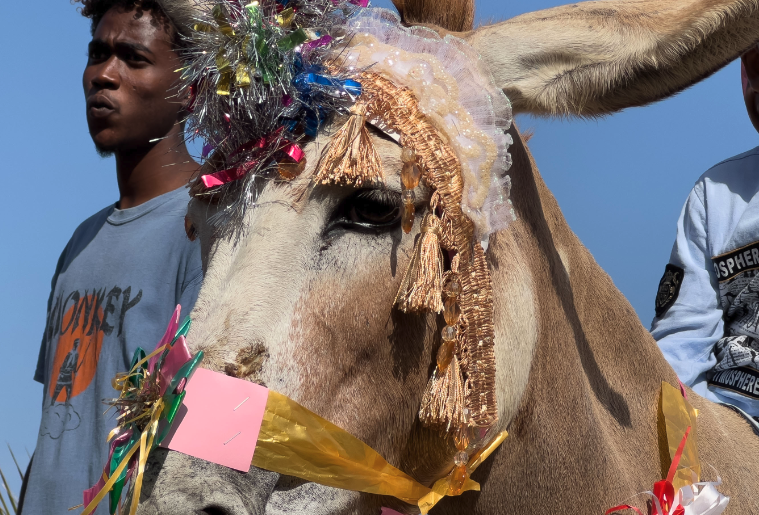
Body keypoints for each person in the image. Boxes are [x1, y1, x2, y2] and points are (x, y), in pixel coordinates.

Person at [19, 0, 203, 512]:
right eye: (97, 54)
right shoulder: (81, 242)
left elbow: (210, 433)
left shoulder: (211, 224)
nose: (104, 75)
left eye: (133, 58)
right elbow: (57, 423)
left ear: (191, 86)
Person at [652, 45, 759, 417]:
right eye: (749, 59)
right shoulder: (715, 194)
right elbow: (680, 346)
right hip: (728, 432)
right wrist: (691, 461)